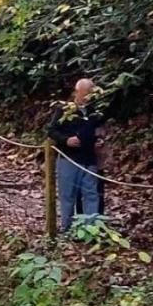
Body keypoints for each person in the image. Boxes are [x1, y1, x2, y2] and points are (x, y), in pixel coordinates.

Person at [47, 77, 106, 232]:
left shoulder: (95, 112)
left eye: (90, 94)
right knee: (68, 196)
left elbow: (99, 130)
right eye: (84, 93)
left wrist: (98, 140)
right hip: (69, 158)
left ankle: (91, 230)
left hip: (89, 158)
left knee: (91, 194)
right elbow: (51, 130)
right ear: (77, 92)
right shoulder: (64, 109)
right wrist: (66, 140)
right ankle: (66, 228)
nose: (87, 97)